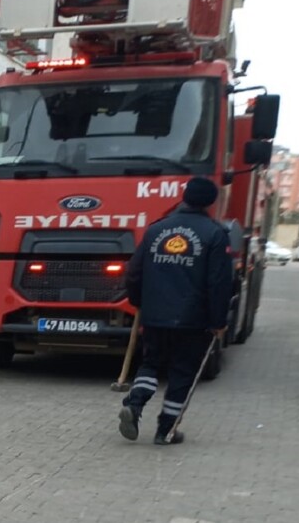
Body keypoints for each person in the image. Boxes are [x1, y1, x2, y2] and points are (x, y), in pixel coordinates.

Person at [118, 177, 233, 445]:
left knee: (151, 363)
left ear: (184, 196)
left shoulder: (156, 230)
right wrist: (218, 320)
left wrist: (138, 301)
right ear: (211, 202)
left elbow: (134, 272)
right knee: (182, 371)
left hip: (155, 314)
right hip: (194, 320)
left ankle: (134, 405)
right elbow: (219, 283)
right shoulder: (215, 234)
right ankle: (165, 431)